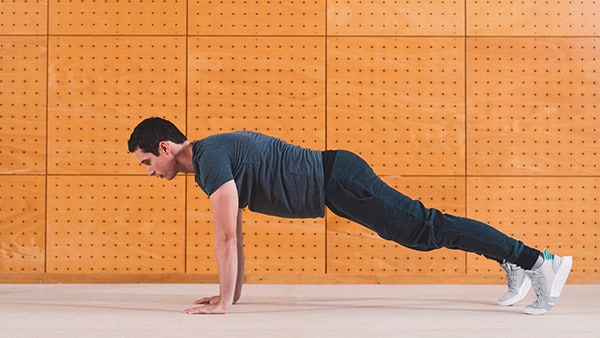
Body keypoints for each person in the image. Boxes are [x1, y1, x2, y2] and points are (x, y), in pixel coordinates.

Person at [127, 117, 572, 315]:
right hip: (337, 181)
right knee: (423, 229)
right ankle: (513, 258)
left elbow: (225, 238)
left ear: (166, 148)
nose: (149, 172)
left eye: (147, 161)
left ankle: (535, 260)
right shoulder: (210, 161)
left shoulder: (209, 158)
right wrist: (232, 297)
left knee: (425, 228)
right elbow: (236, 235)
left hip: (339, 179)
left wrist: (224, 302)